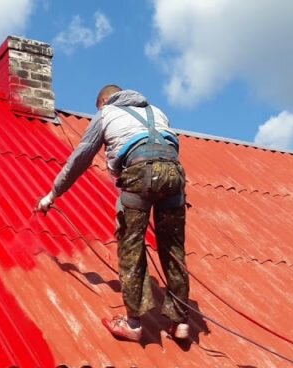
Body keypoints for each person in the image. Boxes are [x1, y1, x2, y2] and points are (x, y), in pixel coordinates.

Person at [36, 85, 190, 342]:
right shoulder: (157, 111)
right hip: (174, 175)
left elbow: (80, 158)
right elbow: (168, 150)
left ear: (105, 100)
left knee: (131, 245)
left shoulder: (106, 113)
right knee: (173, 247)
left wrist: (53, 194)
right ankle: (180, 322)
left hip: (140, 173)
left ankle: (133, 323)